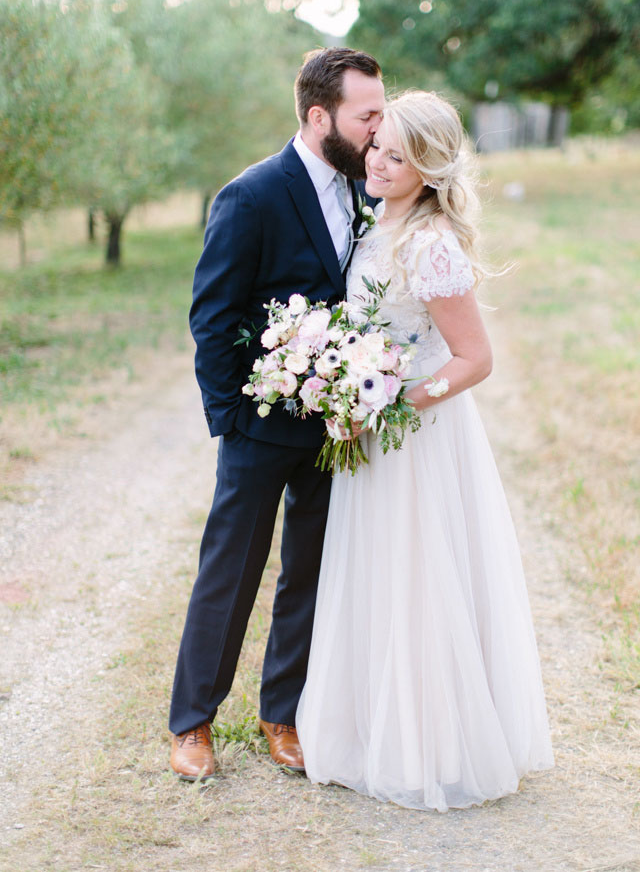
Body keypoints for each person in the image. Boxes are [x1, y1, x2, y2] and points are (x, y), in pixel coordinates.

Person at [296, 91, 554, 812]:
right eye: (378, 145)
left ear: (430, 169)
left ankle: (431, 745)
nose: (378, 159)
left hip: (418, 435)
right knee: (377, 575)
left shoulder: (430, 243)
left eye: (399, 155)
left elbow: (474, 359)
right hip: (372, 431)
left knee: (419, 579)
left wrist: (389, 402)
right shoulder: (376, 220)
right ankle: (372, 730)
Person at [169, 47, 385, 780]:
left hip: (335, 429)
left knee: (311, 571)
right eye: (368, 116)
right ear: (320, 116)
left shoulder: (367, 191)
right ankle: (192, 723)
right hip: (259, 427)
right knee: (230, 569)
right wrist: (230, 417)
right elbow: (212, 315)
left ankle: (282, 713)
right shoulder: (252, 195)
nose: (378, 130)